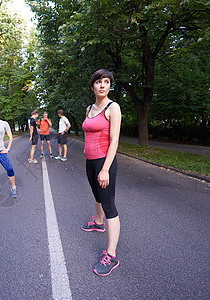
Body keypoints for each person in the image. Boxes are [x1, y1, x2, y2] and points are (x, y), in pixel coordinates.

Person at [81, 69, 121, 276]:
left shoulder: (113, 108)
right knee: (96, 196)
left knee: (109, 205)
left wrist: (105, 169)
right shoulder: (89, 108)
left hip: (104, 163)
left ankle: (111, 255)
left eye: (106, 82)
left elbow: (114, 140)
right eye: (98, 82)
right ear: (93, 86)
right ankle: (98, 223)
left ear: (109, 86)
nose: (103, 85)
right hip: (90, 161)